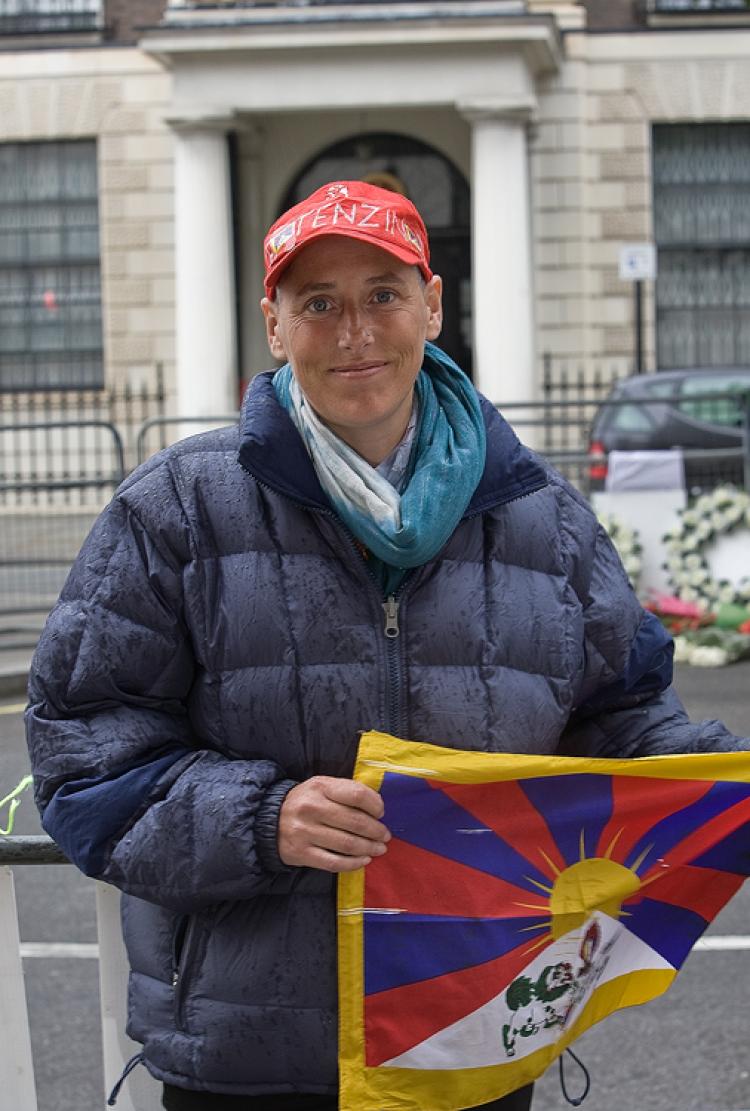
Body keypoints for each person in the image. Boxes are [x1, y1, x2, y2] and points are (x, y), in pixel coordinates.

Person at [25, 180, 748, 1111]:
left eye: (382, 294)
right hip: (251, 1056)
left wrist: (713, 777)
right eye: (318, 303)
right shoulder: (176, 509)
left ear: (432, 306)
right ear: (275, 326)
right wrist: (261, 818)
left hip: (476, 1037)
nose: (355, 330)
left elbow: (625, 719)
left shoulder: (544, 518)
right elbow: (83, 766)